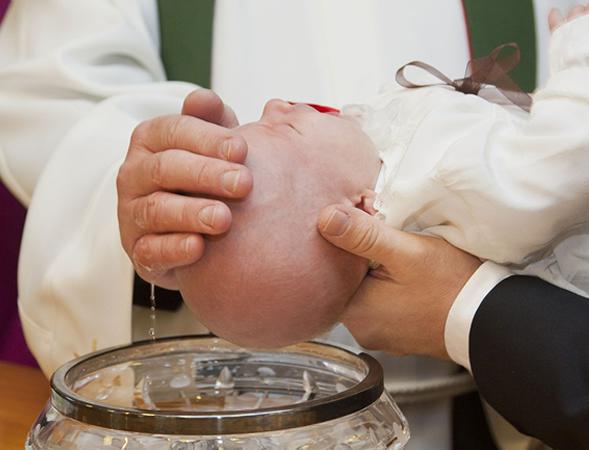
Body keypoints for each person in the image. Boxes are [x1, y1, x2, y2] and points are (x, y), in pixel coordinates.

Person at [0, 1, 578, 448]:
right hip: (225, 410)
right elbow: (49, 98)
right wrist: (168, 203)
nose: (277, 103)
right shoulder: (475, 172)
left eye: (281, 124)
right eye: (271, 125)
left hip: (517, 387)